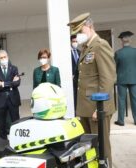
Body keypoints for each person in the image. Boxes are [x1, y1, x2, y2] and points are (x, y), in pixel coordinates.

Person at [68, 12, 116, 167]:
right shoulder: (85, 48)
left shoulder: (100, 45)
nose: (78, 36)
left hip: (97, 108)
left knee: (102, 147)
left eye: (80, 32)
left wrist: (99, 108)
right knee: (89, 147)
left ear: (89, 27)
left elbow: (107, 78)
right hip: (85, 107)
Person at [0, 50, 21, 139]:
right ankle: (3, 140)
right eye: (1, 58)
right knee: (2, 123)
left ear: (8, 57)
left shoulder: (14, 68)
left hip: (13, 98)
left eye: (5, 57)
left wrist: (3, 84)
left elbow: (17, 83)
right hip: (1, 99)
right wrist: (10, 83)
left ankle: (18, 138)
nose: (3, 59)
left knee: (16, 121)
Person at [114, 31, 136, 126]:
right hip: (134, 78)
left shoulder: (118, 53)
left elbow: (115, 66)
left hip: (122, 79)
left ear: (122, 41)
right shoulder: (135, 51)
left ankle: (121, 121)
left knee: (121, 100)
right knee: (135, 100)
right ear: (129, 40)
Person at [71, 35, 81, 112]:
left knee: (79, 94)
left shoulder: (79, 52)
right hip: (71, 77)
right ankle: (74, 111)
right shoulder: (67, 53)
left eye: (76, 41)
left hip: (79, 76)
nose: (75, 43)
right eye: (73, 41)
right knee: (73, 94)